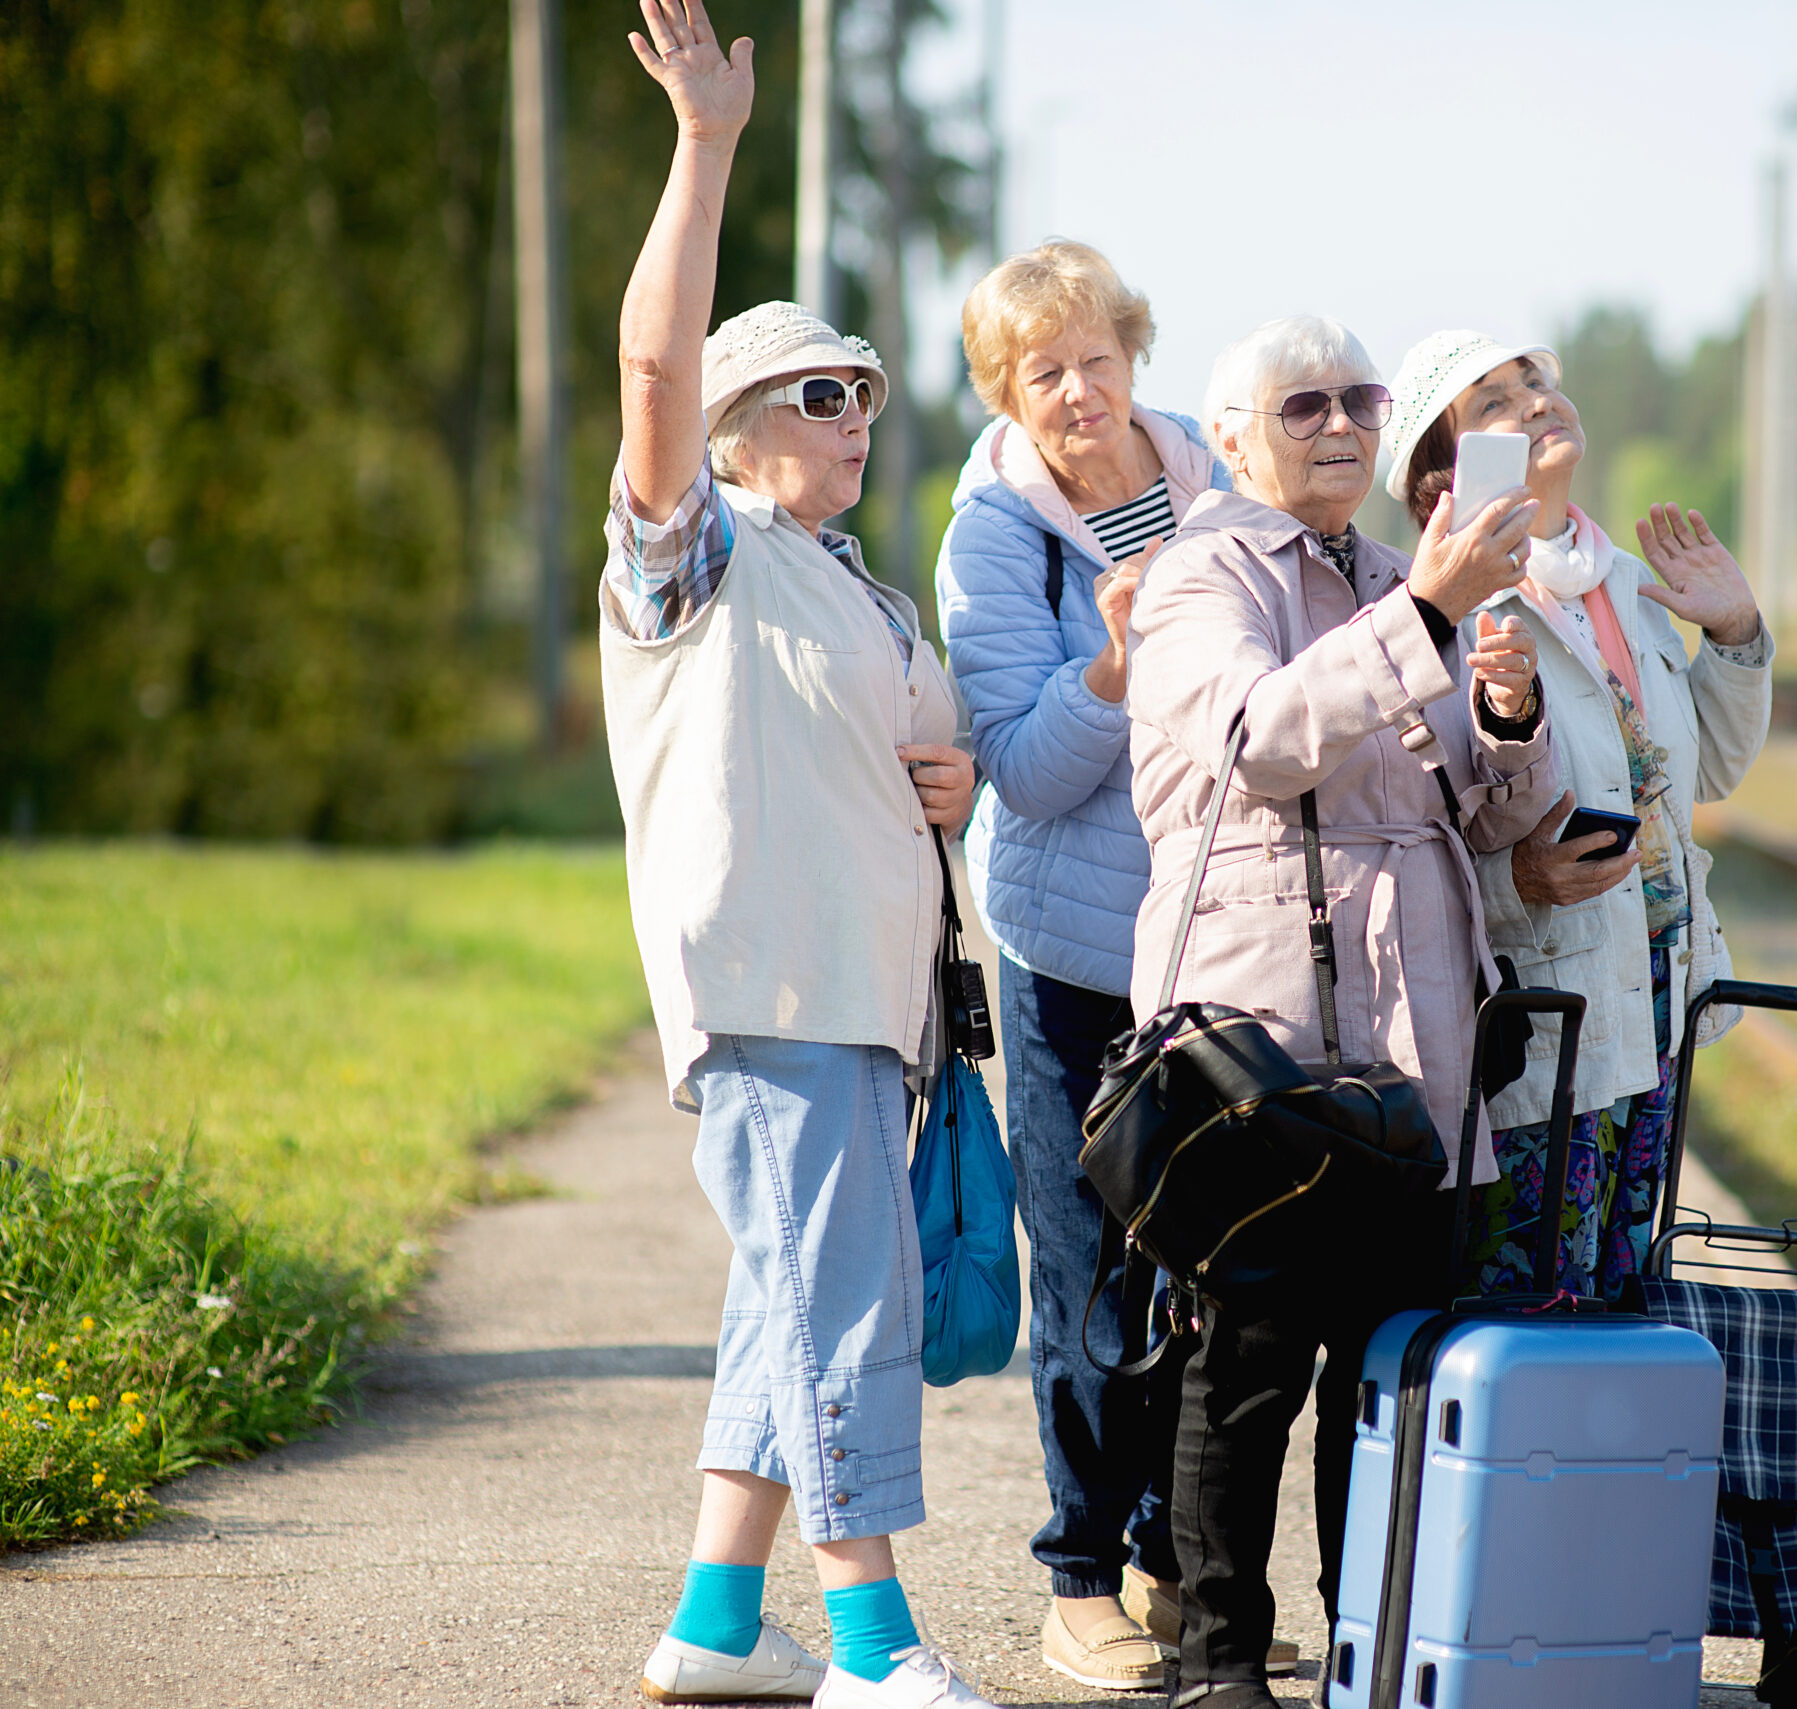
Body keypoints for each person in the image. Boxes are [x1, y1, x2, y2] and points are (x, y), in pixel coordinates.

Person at [600, 2, 990, 1703]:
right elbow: (651, 370)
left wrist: (944, 790)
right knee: (843, 1319)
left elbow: (875, 764)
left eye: (867, 393)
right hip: (773, 982)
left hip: (861, 1001)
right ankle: (871, 1650)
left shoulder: (856, 582)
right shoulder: (697, 554)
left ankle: (712, 1620)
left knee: (789, 1303)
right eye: (824, 392)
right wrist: (706, 145)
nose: (858, 415)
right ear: (742, 420)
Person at [1121, 315, 1556, 1709]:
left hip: (1417, 1030)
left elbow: (1494, 815)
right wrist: (1424, 617)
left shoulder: (1396, 574)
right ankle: (1220, 1661)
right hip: (1262, 1039)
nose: (1340, 424)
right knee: (1244, 1362)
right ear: (1236, 439)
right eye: (1300, 403)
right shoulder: (1205, 573)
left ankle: (1371, 1638)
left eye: (1360, 398)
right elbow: (1258, 739)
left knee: (1388, 1363)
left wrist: (1506, 704)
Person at [934, 242, 1286, 1694]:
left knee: (1199, 1267)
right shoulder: (993, 538)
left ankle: (1161, 1549)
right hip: (1074, 952)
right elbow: (1013, 760)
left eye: (1096, 359)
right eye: (1041, 374)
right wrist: (1114, 671)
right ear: (1008, 397)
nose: (1077, 393)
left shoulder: (1223, 480)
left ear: (1135, 354)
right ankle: (1079, 1575)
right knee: (1085, 1268)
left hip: (1215, 944)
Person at [1378, 330, 1772, 1302]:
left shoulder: (1625, 589)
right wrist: (1518, 887)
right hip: (1536, 1013)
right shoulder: (1442, 615)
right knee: (1529, 1308)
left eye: (1536, 380)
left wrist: (1733, 631)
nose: (1535, 401)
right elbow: (1405, 832)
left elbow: (1703, 772)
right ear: (1442, 477)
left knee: (1623, 1296)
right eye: (1493, 402)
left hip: (1658, 1000)